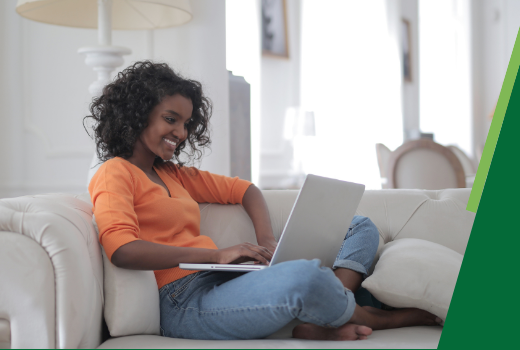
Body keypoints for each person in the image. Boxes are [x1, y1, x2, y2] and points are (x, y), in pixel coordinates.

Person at [86, 61, 439, 341]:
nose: (180, 133)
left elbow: (247, 190)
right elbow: (123, 249)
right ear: (136, 112)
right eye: (170, 119)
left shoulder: (173, 174)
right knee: (303, 275)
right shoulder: (114, 173)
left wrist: (267, 241)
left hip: (222, 282)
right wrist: (214, 255)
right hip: (182, 302)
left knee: (358, 225)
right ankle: (364, 314)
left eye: (187, 123)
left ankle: (325, 311)